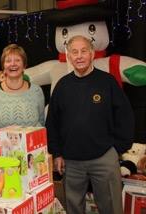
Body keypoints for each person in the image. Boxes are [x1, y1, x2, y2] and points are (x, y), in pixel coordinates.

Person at [45, 35, 134, 214]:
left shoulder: (107, 82)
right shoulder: (62, 86)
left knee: (111, 207)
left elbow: (125, 116)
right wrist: (57, 154)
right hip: (71, 161)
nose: (79, 56)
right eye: (74, 52)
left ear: (92, 54)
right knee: (73, 207)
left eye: (84, 51)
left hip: (104, 158)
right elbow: (52, 123)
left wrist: (117, 149)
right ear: (68, 56)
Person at [0, 44, 45, 148]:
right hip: (2, 159)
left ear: (24, 65)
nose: (13, 64)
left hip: (31, 157)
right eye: (8, 61)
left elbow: (41, 124)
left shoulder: (36, 91)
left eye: (17, 60)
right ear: (3, 66)